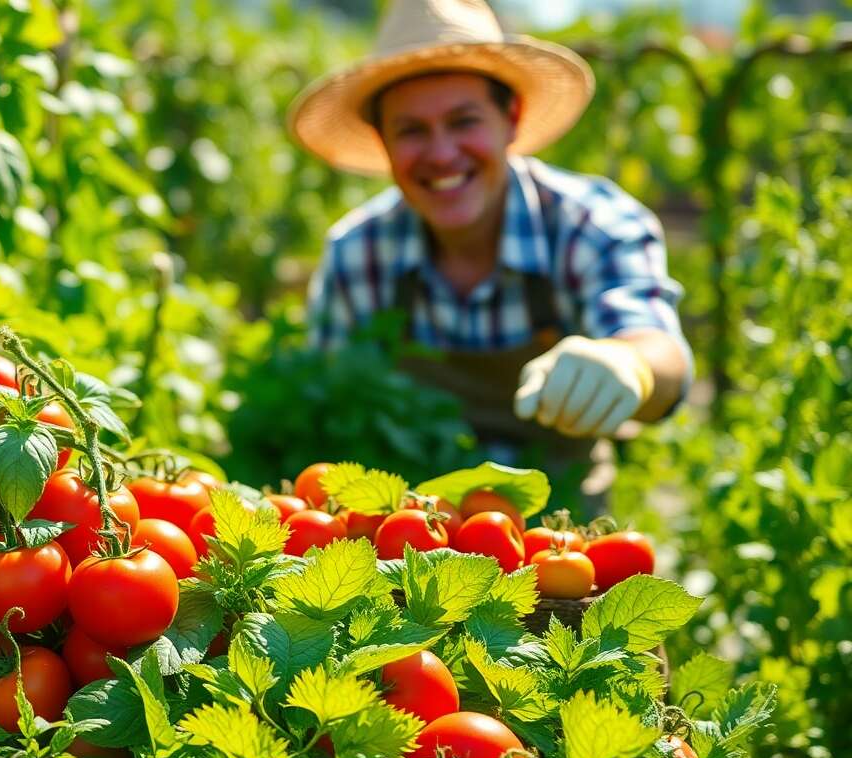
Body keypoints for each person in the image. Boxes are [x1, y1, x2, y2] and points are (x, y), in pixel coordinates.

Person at [289, 0, 693, 512]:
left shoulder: (590, 226)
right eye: (412, 130)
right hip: (404, 544)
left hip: (562, 542)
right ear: (383, 142)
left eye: (464, 121)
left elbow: (663, 352)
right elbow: (328, 409)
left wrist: (630, 362)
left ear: (512, 119)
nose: (441, 154)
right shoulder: (357, 255)